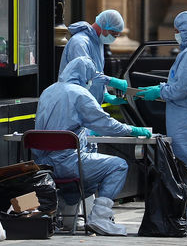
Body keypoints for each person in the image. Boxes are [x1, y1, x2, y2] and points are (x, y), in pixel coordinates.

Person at [35, 56, 152, 236]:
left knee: (87, 173)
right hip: (68, 164)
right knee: (118, 166)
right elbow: (105, 124)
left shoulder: (48, 91)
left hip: (43, 167)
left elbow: (60, 123)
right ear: (85, 76)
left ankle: (63, 215)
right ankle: (100, 217)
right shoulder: (80, 94)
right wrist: (133, 130)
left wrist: (85, 132)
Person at [135, 11, 187, 234]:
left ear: (186, 30)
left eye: (177, 30)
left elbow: (180, 89)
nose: (175, 34)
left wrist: (159, 91)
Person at [58, 9, 128, 106]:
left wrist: (105, 95)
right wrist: (111, 81)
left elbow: (97, 72)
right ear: (103, 25)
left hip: (87, 104)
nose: (114, 38)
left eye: (117, 35)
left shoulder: (98, 43)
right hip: (74, 104)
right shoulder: (80, 42)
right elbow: (86, 74)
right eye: (113, 33)